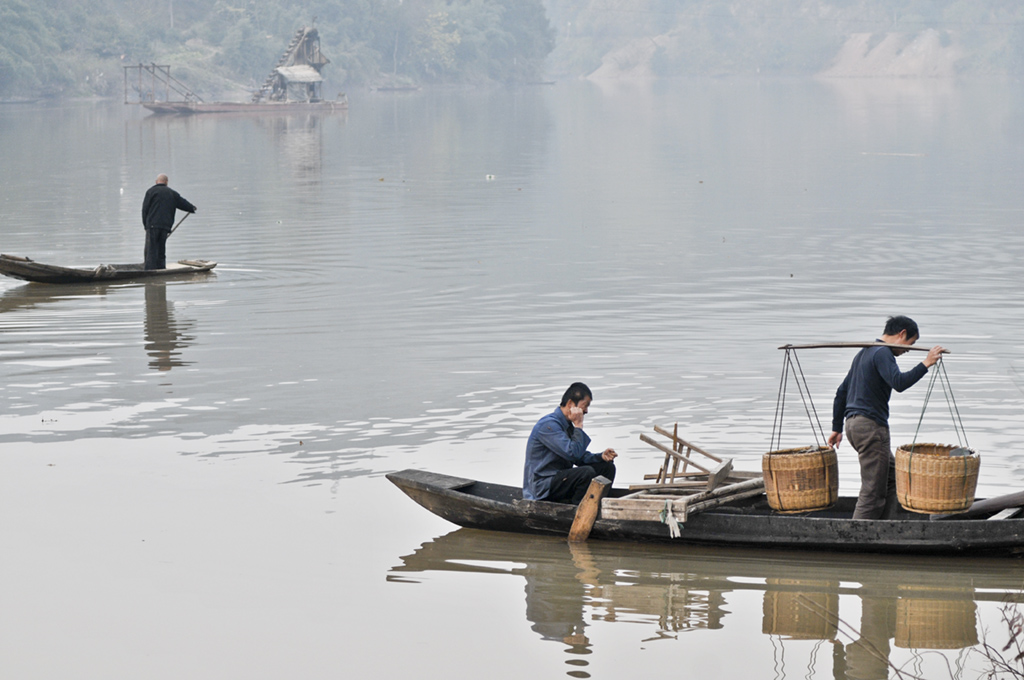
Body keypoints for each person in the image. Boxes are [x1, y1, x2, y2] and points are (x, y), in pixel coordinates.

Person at [826, 316, 946, 520]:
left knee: (892, 478)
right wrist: (926, 363)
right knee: (872, 491)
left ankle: (886, 527)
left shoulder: (864, 352)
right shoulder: (882, 352)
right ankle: (856, 536)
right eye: (911, 343)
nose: (909, 349)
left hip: (853, 426)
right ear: (902, 334)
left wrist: (837, 428)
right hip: (871, 427)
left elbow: (841, 392)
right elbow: (898, 382)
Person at [523, 382, 617, 504]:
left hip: (559, 480)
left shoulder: (567, 426)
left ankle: (595, 505)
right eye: (585, 405)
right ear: (570, 404)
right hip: (542, 487)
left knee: (607, 467)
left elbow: (579, 457)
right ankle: (575, 511)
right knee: (586, 473)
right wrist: (578, 426)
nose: (586, 411)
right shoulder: (548, 425)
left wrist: (600, 457)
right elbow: (573, 454)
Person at [141, 174, 196, 270]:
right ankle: (161, 268)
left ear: (156, 181)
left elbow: (145, 209)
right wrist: (192, 208)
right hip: (165, 226)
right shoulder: (172, 193)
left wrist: (145, 225)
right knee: (161, 249)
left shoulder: (151, 191)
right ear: (166, 182)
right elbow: (183, 203)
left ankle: (149, 270)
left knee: (151, 249)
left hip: (152, 225)